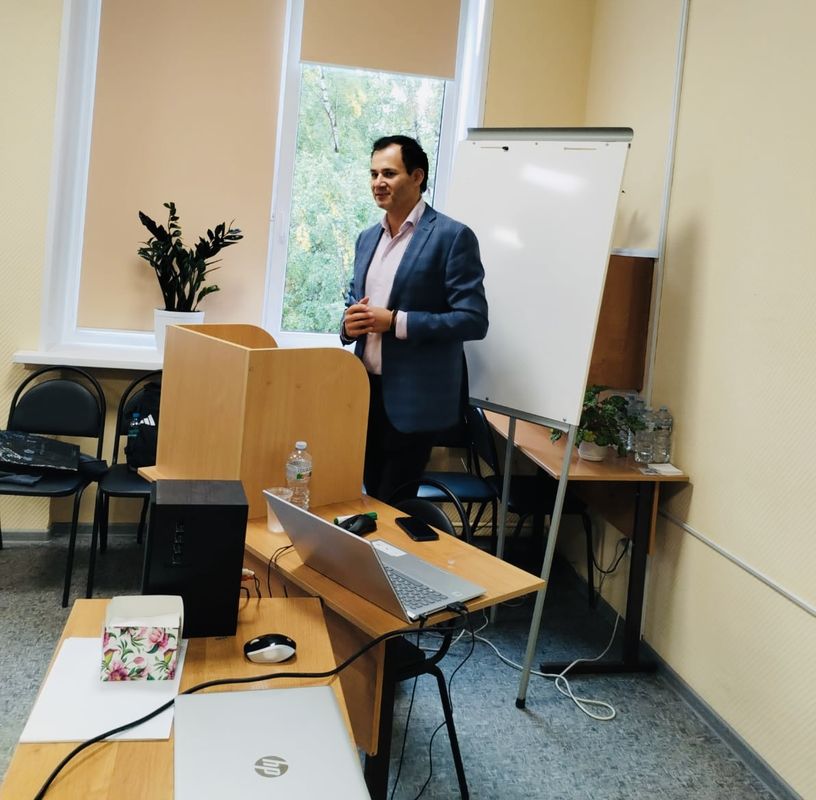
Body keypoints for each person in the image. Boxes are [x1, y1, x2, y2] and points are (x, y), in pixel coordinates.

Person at [341, 135, 488, 501]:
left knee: (393, 503)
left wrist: (396, 322)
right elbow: (355, 302)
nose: (378, 182)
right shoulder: (366, 239)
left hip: (415, 401)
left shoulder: (452, 237)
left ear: (417, 176)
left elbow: (473, 319)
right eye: (373, 174)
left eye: (389, 173)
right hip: (364, 394)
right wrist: (347, 325)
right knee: (370, 497)